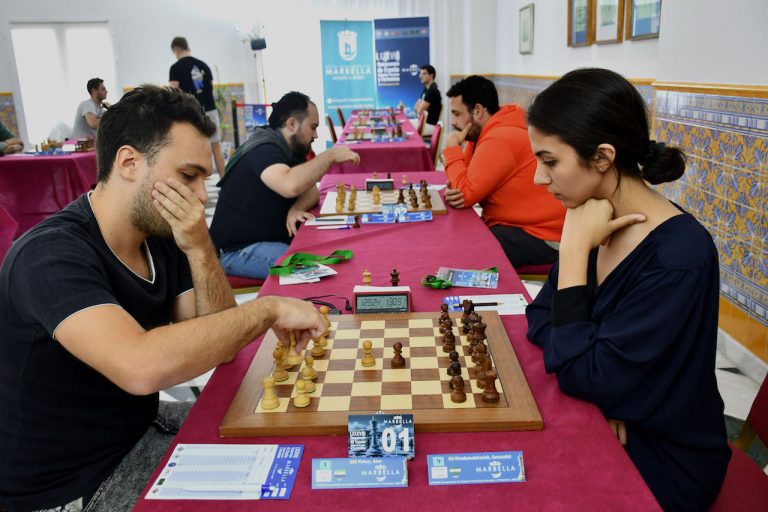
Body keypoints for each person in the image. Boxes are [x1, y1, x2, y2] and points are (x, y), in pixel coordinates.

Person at [0, 85, 326, 512]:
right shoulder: (49, 254)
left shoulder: (161, 234)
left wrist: (199, 246)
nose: (201, 196)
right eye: (189, 176)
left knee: (299, 442)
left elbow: (221, 346)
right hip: (70, 487)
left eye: (203, 181)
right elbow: (140, 366)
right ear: (129, 162)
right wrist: (267, 308)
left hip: (138, 431)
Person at [524, 68, 729, 511]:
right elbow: (540, 318)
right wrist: (596, 390)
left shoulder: (678, 256)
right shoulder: (593, 214)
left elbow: (587, 372)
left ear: (601, 156)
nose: (540, 179)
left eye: (550, 161)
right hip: (606, 414)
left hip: (663, 453)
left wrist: (576, 252)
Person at [210, 91, 359, 279]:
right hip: (235, 251)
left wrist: (296, 208)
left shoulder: (287, 148)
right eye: (312, 127)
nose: (315, 135)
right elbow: (290, 185)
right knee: (319, 271)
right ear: (292, 124)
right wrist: (330, 156)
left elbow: (310, 190)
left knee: (327, 254)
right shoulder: (263, 149)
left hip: (262, 241)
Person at [442, 75, 565, 269]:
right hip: (517, 225)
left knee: (463, 249)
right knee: (460, 235)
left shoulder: (500, 137)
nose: (453, 122)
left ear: (478, 110)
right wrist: (456, 188)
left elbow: (465, 194)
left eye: (457, 114)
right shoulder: (486, 133)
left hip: (542, 235)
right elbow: (461, 183)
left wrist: (450, 148)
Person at [169, 36, 226, 179]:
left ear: (176, 50)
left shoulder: (176, 68)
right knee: (216, 147)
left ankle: (194, 184)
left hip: (191, 114)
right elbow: (210, 86)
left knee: (191, 150)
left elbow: (173, 92)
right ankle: (225, 181)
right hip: (210, 110)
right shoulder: (203, 65)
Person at [413, 64, 442, 136]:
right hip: (423, 123)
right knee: (404, 124)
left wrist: (419, 106)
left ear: (431, 75)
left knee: (405, 127)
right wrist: (419, 107)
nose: (421, 76)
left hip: (429, 125)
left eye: (424, 73)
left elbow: (419, 111)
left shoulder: (432, 91)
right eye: (420, 74)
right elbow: (415, 108)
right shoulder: (426, 89)